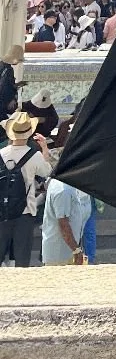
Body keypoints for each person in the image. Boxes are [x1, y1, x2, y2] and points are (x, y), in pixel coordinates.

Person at [0, 112, 51, 267]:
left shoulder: (1, 153)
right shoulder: (34, 156)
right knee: (22, 259)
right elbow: (47, 172)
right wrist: (44, 148)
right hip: (25, 212)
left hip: (2, 212)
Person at [41, 176, 94, 264]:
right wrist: (76, 251)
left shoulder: (67, 186)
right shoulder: (63, 191)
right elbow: (63, 225)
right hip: (60, 254)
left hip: (67, 251)